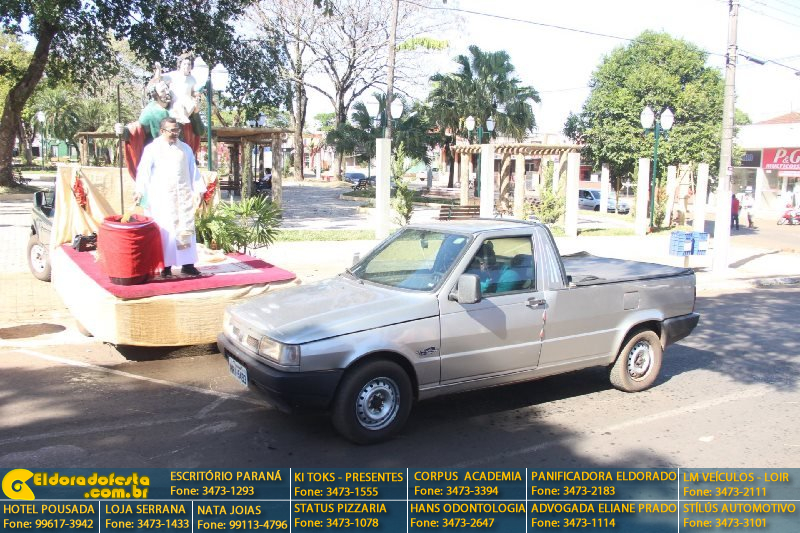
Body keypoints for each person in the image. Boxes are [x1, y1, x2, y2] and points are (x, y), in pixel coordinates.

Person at [134, 117, 206, 278]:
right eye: (172, 130)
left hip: (183, 197)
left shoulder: (185, 149)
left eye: (177, 130)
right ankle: (165, 266)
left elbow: (193, 171)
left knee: (185, 229)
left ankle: (188, 265)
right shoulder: (152, 149)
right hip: (162, 199)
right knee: (166, 232)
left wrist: (199, 190)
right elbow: (143, 171)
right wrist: (139, 190)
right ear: (162, 131)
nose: (175, 133)